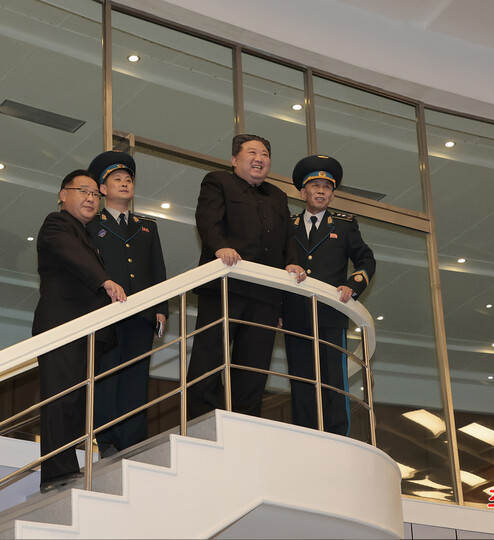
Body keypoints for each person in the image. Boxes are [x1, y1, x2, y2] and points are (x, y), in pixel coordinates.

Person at [188, 134, 306, 418]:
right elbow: (207, 219)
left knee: (254, 365)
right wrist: (220, 247)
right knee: (210, 355)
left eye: (265, 154)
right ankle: (199, 420)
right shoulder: (218, 181)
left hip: (265, 294)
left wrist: (293, 263)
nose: (260, 158)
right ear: (234, 160)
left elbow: (288, 237)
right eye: (252, 152)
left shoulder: (277, 195)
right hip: (225, 286)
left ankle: (245, 421)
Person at [32, 169, 126, 493]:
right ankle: (57, 474)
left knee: (77, 404)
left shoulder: (86, 235)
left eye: (94, 194)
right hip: (62, 327)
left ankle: (67, 469)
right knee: (61, 401)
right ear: (62, 195)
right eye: (82, 191)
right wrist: (105, 280)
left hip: (86, 332)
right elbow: (73, 259)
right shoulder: (56, 224)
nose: (90, 198)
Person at [283, 154, 376, 436]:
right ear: (303, 192)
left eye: (327, 187)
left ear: (333, 196)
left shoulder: (345, 225)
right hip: (295, 314)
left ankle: (338, 436)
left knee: (333, 380)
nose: (321, 191)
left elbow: (366, 260)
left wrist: (353, 285)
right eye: (315, 186)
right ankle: (306, 436)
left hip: (331, 315)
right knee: (301, 380)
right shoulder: (288, 225)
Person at [86, 150, 168, 457]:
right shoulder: (92, 225)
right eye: (116, 179)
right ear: (103, 189)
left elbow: (157, 269)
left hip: (143, 312)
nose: (124, 184)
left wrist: (162, 308)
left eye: (128, 179)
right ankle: (107, 438)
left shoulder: (147, 226)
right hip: (108, 312)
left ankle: (133, 439)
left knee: (136, 376)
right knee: (108, 374)